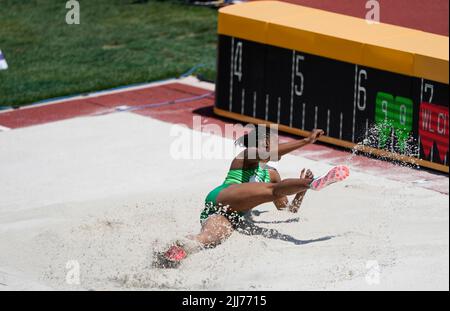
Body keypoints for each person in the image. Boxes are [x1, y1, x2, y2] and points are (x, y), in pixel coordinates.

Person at [156, 127, 349, 267]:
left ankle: (173, 251)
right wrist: (306, 142)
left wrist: (301, 191)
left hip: (229, 214)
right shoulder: (245, 156)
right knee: (272, 189)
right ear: (264, 143)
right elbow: (270, 171)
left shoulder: (272, 174)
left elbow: (287, 209)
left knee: (210, 238)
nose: (279, 146)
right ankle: (313, 183)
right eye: (276, 142)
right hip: (222, 197)